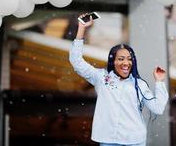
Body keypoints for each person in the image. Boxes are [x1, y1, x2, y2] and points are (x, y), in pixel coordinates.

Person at [69, 14, 169, 146]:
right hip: (108, 140)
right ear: (113, 61)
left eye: (129, 59)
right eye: (121, 59)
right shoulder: (102, 77)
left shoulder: (139, 84)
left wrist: (159, 82)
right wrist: (82, 28)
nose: (126, 63)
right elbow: (76, 62)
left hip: (134, 140)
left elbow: (158, 108)